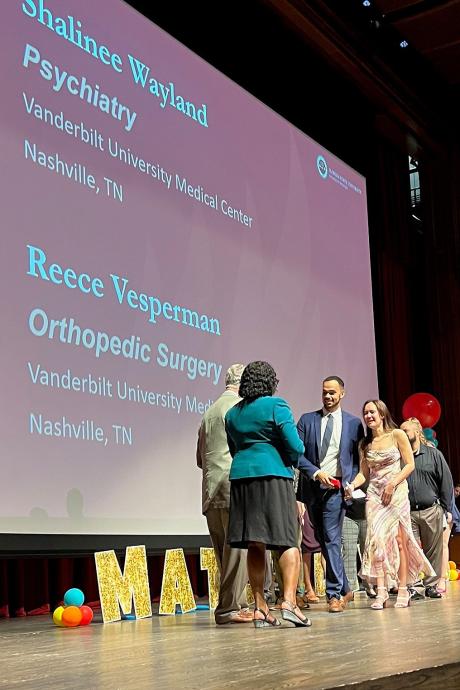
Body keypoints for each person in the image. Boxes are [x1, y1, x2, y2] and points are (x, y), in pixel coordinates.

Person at [225, 360, 311, 628]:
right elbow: (296, 447)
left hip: (242, 479)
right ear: (270, 382)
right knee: (287, 540)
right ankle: (289, 602)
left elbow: (233, 448)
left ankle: (260, 606)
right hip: (274, 476)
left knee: (255, 542)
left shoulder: (232, 414)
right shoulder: (277, 405)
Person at [345, 400, 435, 609]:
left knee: (400, 541)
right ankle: (382, 591)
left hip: (396, 492)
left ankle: (403, 589)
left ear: (382, 414)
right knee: (376, 543)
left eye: (372, 412)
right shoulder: (364, 444)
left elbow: (410, 465)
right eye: (365, 413)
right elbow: (363, 474)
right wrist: (351, 486)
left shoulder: (397, 435)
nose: (368, 416)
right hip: (374, 495)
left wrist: (392, 484)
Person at [296, 376, 364, 613]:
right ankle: (345, 588)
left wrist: (350, 482)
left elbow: (357, 460)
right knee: (324, 541)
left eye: (333, 393)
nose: (328, 396)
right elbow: (297, 454)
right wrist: (315, 473)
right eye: (325, 392)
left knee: (332, 539)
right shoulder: (307, 420)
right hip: (313, 489)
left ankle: (333, 595)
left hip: (336, 490)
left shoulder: (354, 424)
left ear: (342, 394)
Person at [196, 363, 253, 624]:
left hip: (210, 490)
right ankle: (229, 608)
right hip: (232, 486)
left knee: (224, 553)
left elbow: (200, 458)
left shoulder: (208, 412)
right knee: (237, 550)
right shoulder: (238, 409)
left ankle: (235, 605)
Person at [400, 417, 454, 599]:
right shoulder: (400, 457)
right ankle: (413, 587)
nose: (402, 434)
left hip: (431, 510)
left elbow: (446, 482)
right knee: (411, 550)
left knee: (433, 550)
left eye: (405, 431)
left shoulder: (433, 455)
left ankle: (431, 586)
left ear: (416, 432)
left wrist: (448, 510)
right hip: (408, 512)